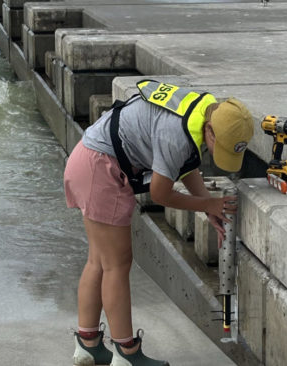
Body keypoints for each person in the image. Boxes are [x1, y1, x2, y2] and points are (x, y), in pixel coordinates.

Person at [64, 80, 254, 366]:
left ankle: (88, 345)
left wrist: (208, 208)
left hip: (88, 159)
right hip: (102, 169)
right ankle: (126, 353)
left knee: (99, 262)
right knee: (117, 264)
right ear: (211, 130)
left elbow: (186, 165)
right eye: (220, 148)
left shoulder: (199, 112)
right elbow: (160, 193)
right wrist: (206, 203)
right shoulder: (175, 134)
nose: (217, 156)